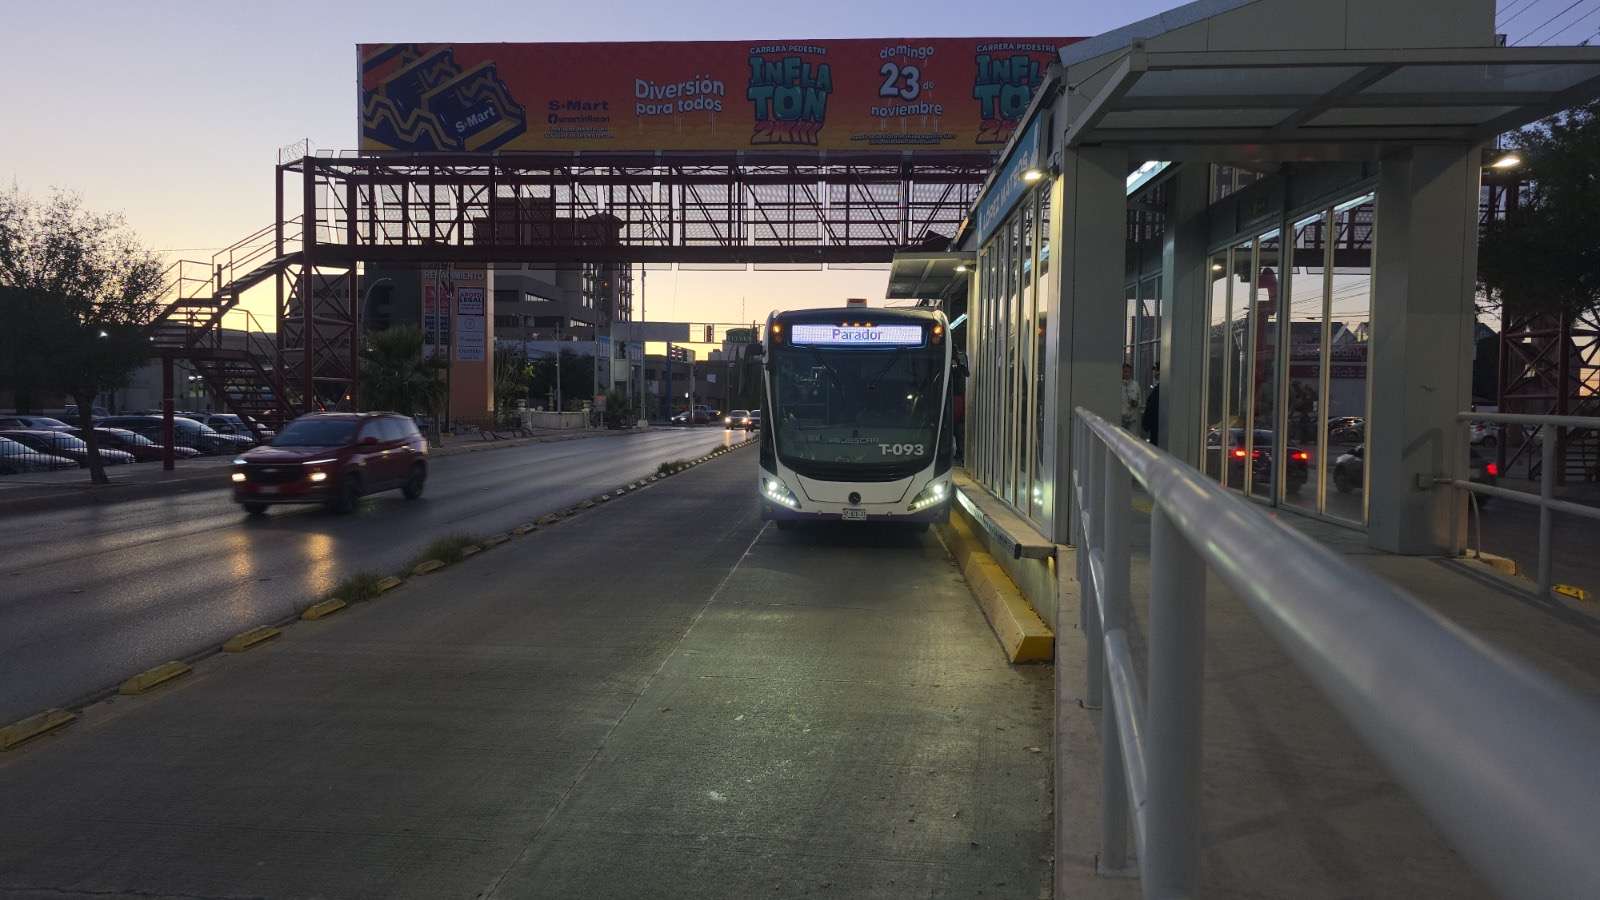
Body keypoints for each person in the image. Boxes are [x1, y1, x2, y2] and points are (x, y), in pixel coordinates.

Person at [1120, 363, 1141, 430]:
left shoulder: (1136, 385)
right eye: (1125, 372)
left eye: (1128, 372)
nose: (1127, 374)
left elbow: (1140, 401)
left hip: (1132, 421)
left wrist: (1136, 403)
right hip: (1120, 420)